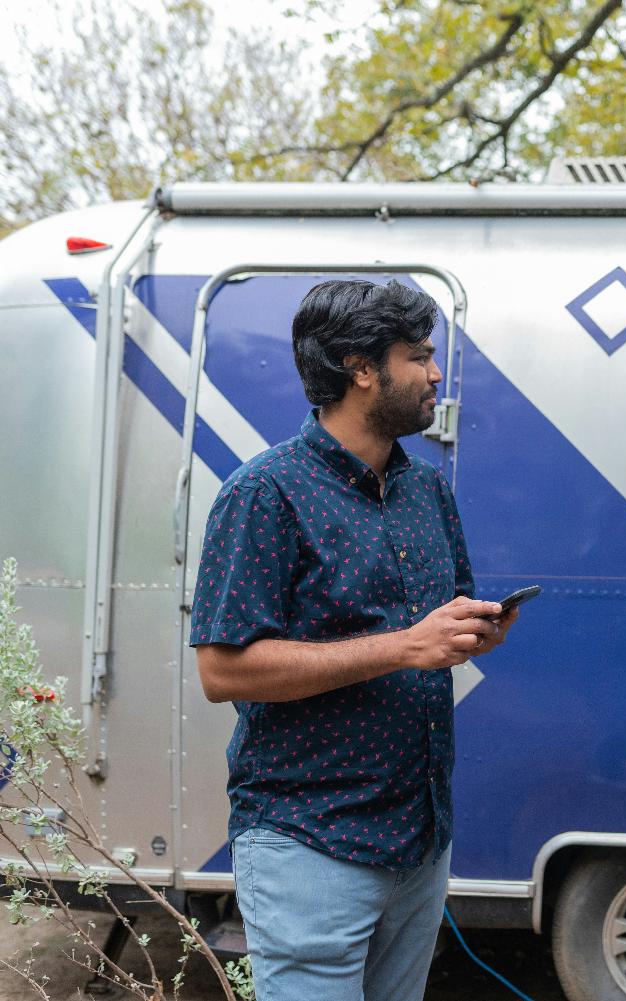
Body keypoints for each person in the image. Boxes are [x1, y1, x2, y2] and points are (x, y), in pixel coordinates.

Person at [189, 279, 518, 1001]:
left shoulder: (426, 490)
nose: (436, 374)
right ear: (361, 369)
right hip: (312, 842)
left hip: (419, 839)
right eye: (419, 356)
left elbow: (433, 632)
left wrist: (468, 634)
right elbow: (223, 668)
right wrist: (405, 645)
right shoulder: (264, 492)